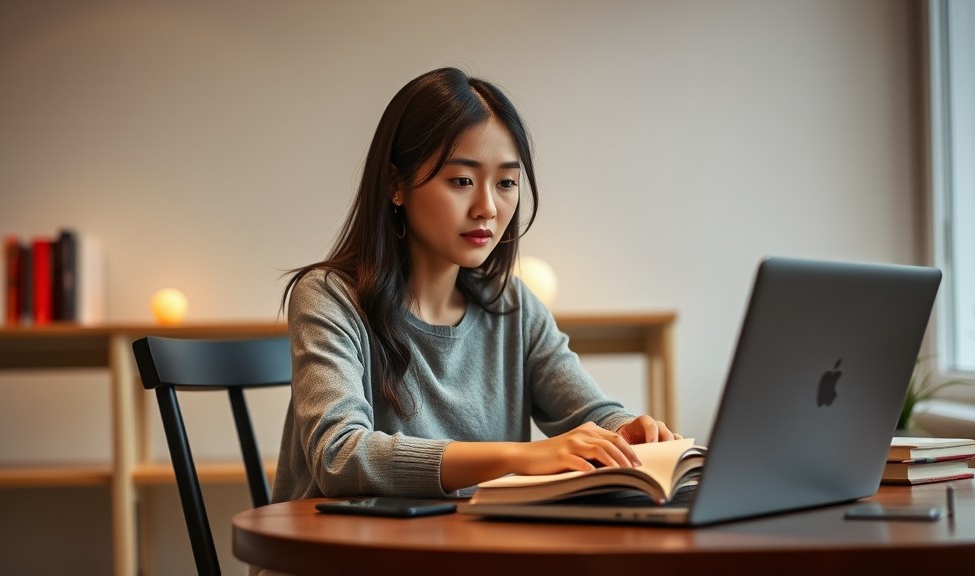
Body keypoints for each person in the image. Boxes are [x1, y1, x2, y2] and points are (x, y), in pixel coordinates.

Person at [273, 67, 681, 503]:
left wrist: (625, 429)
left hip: (463, 550)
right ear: (397, 186)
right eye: (462, 181)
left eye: (506, 183)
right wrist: (520, 456)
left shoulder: (514, 306)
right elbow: (340, 457)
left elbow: (590, 413)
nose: (487, 207)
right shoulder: (329, 297)